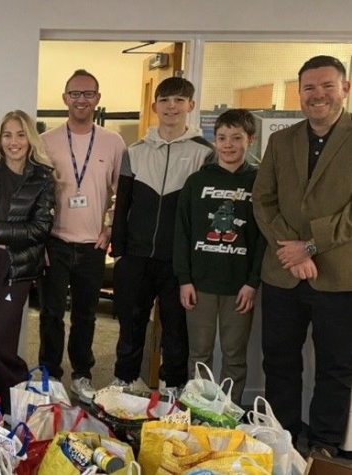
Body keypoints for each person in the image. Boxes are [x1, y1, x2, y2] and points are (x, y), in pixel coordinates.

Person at [252, 55, 352, 457]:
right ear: (300, 93)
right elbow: (263, 200)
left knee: (335, 365)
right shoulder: (281, 141)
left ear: (345, 88)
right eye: (309, 87)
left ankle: (325, 444)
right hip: (283, 273)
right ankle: (283, 436)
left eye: (327, 85)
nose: (317, 95)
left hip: (339, 275)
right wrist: (293, 250)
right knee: (279, 361)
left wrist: (310, 246)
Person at [110, 77, 214, 394]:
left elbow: (204, 213)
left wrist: (194, 261)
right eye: (165, 100)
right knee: (131, 324)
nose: (171, 106)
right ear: (155, 106)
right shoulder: (134, 151)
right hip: (135, 256)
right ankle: (124, 379)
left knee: (176, 328)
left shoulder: (204, 153)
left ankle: (174, 386)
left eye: (179, 100)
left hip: (177, 261)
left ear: (190, 105)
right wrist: (119, 251)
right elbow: (122, 204)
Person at [38, 69, 125, 403]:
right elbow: (36, 193)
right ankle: (50, 374)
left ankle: (82, 374)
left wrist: (111, 226)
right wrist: (40, 238)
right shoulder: (46, 141)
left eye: (88, 94)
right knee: (50, 314)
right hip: (55, 242)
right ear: (65, 98)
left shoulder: (113, 142)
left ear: (97, 99)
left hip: (92, 245)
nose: (81, 100)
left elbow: (123, 192)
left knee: (85, 316)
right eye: (75, 93)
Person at [173, 109, 265, 405]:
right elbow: (182, 232)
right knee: (199, 353)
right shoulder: (197, 181)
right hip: (199, 284)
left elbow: (264, 238)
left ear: (250, 140)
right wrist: (184, 279)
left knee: (234, 355)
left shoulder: (260, 182)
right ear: (214, 141)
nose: (228, 145)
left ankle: (229, 412)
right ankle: (198, 410)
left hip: (239, 287)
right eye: (222, 138)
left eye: (236, 138)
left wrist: (253, 282)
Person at [0, 110, 56, 412]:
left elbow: (40, 229)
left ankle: (19, 404)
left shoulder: (43, 178)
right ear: (0, 139)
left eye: (20, 135)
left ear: (30, 139)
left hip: (17, 268)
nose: (14, 142)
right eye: (7, 135)